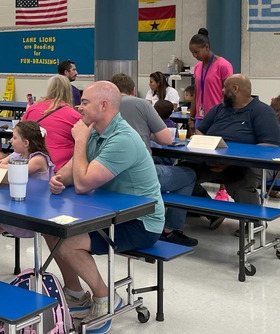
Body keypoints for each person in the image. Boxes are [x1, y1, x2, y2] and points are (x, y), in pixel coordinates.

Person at [47, 81, 164, 332]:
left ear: (103, 105)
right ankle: (76, 295)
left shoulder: (122, 139)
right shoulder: (96, 132)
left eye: (85, 103)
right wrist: (58, 179)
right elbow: (71, 171)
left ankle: (105, 296)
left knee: (68, 241)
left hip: (141, 222)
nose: (80, 107)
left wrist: (79, 141)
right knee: (51, 228)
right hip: (108, 214)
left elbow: (83, 184)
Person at [111, 73, 197, 246]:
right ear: (133, 90)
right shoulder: (141, 104)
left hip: (109, 175)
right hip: (137, 177)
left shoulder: (103, 106)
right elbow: (165, 139)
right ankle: (170, 229)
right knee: (189, 174)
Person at [186, 74, 280, 230]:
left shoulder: (262, 111)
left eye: (225, 87)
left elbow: (271, 146)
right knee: (183, 172)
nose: (222, 90)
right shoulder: (218, 109)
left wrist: (231, 162)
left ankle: (253, 224)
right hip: (212, 160)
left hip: (250, 165)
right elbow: (199, 132)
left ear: (235, 89)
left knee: (240, 182)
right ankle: (212, 211)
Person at [0, 121, 55, 250]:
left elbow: (15, 171)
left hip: (34, 212)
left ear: (26, 143)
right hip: (17, 205)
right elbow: (0, 163)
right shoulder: (17, 154)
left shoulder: (38, 159)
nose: (10, 141)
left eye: (14, 138)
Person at [189, 28, 234, 202]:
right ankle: (197, 191)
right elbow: (196, 92)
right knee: (200, 155)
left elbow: (230, 93)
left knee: (220, 156)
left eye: (196, 52)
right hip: (201, 117)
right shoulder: (198, 67)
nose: (195, 56)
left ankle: (223, 191)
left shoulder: (223, 65)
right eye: (192, 53)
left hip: (219, 116)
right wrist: (191, 117)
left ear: (206, 47)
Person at [22, 75, 82, 172]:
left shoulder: (32, 109)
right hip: (59, 170)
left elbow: (20, 132)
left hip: (32, 165)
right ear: (68, 91)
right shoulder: (74, 116)